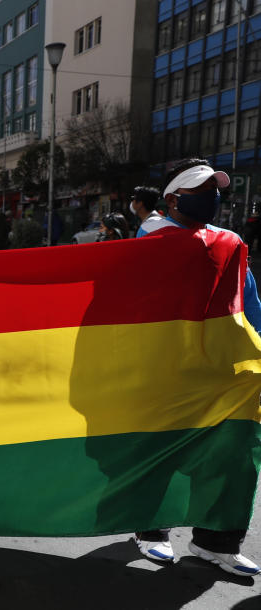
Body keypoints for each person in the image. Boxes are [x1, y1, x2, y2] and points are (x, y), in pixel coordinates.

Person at [129, 158, 261, 576]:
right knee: (160, 450)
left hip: (220, 370)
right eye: (200, 190)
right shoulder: (152, 236)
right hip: (164, 368)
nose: (212, 198)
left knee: (231, 452)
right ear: (172, 199)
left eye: (214, 190)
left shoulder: (229, 242)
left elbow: (248, 300)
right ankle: (151, 531)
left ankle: (216, 541)